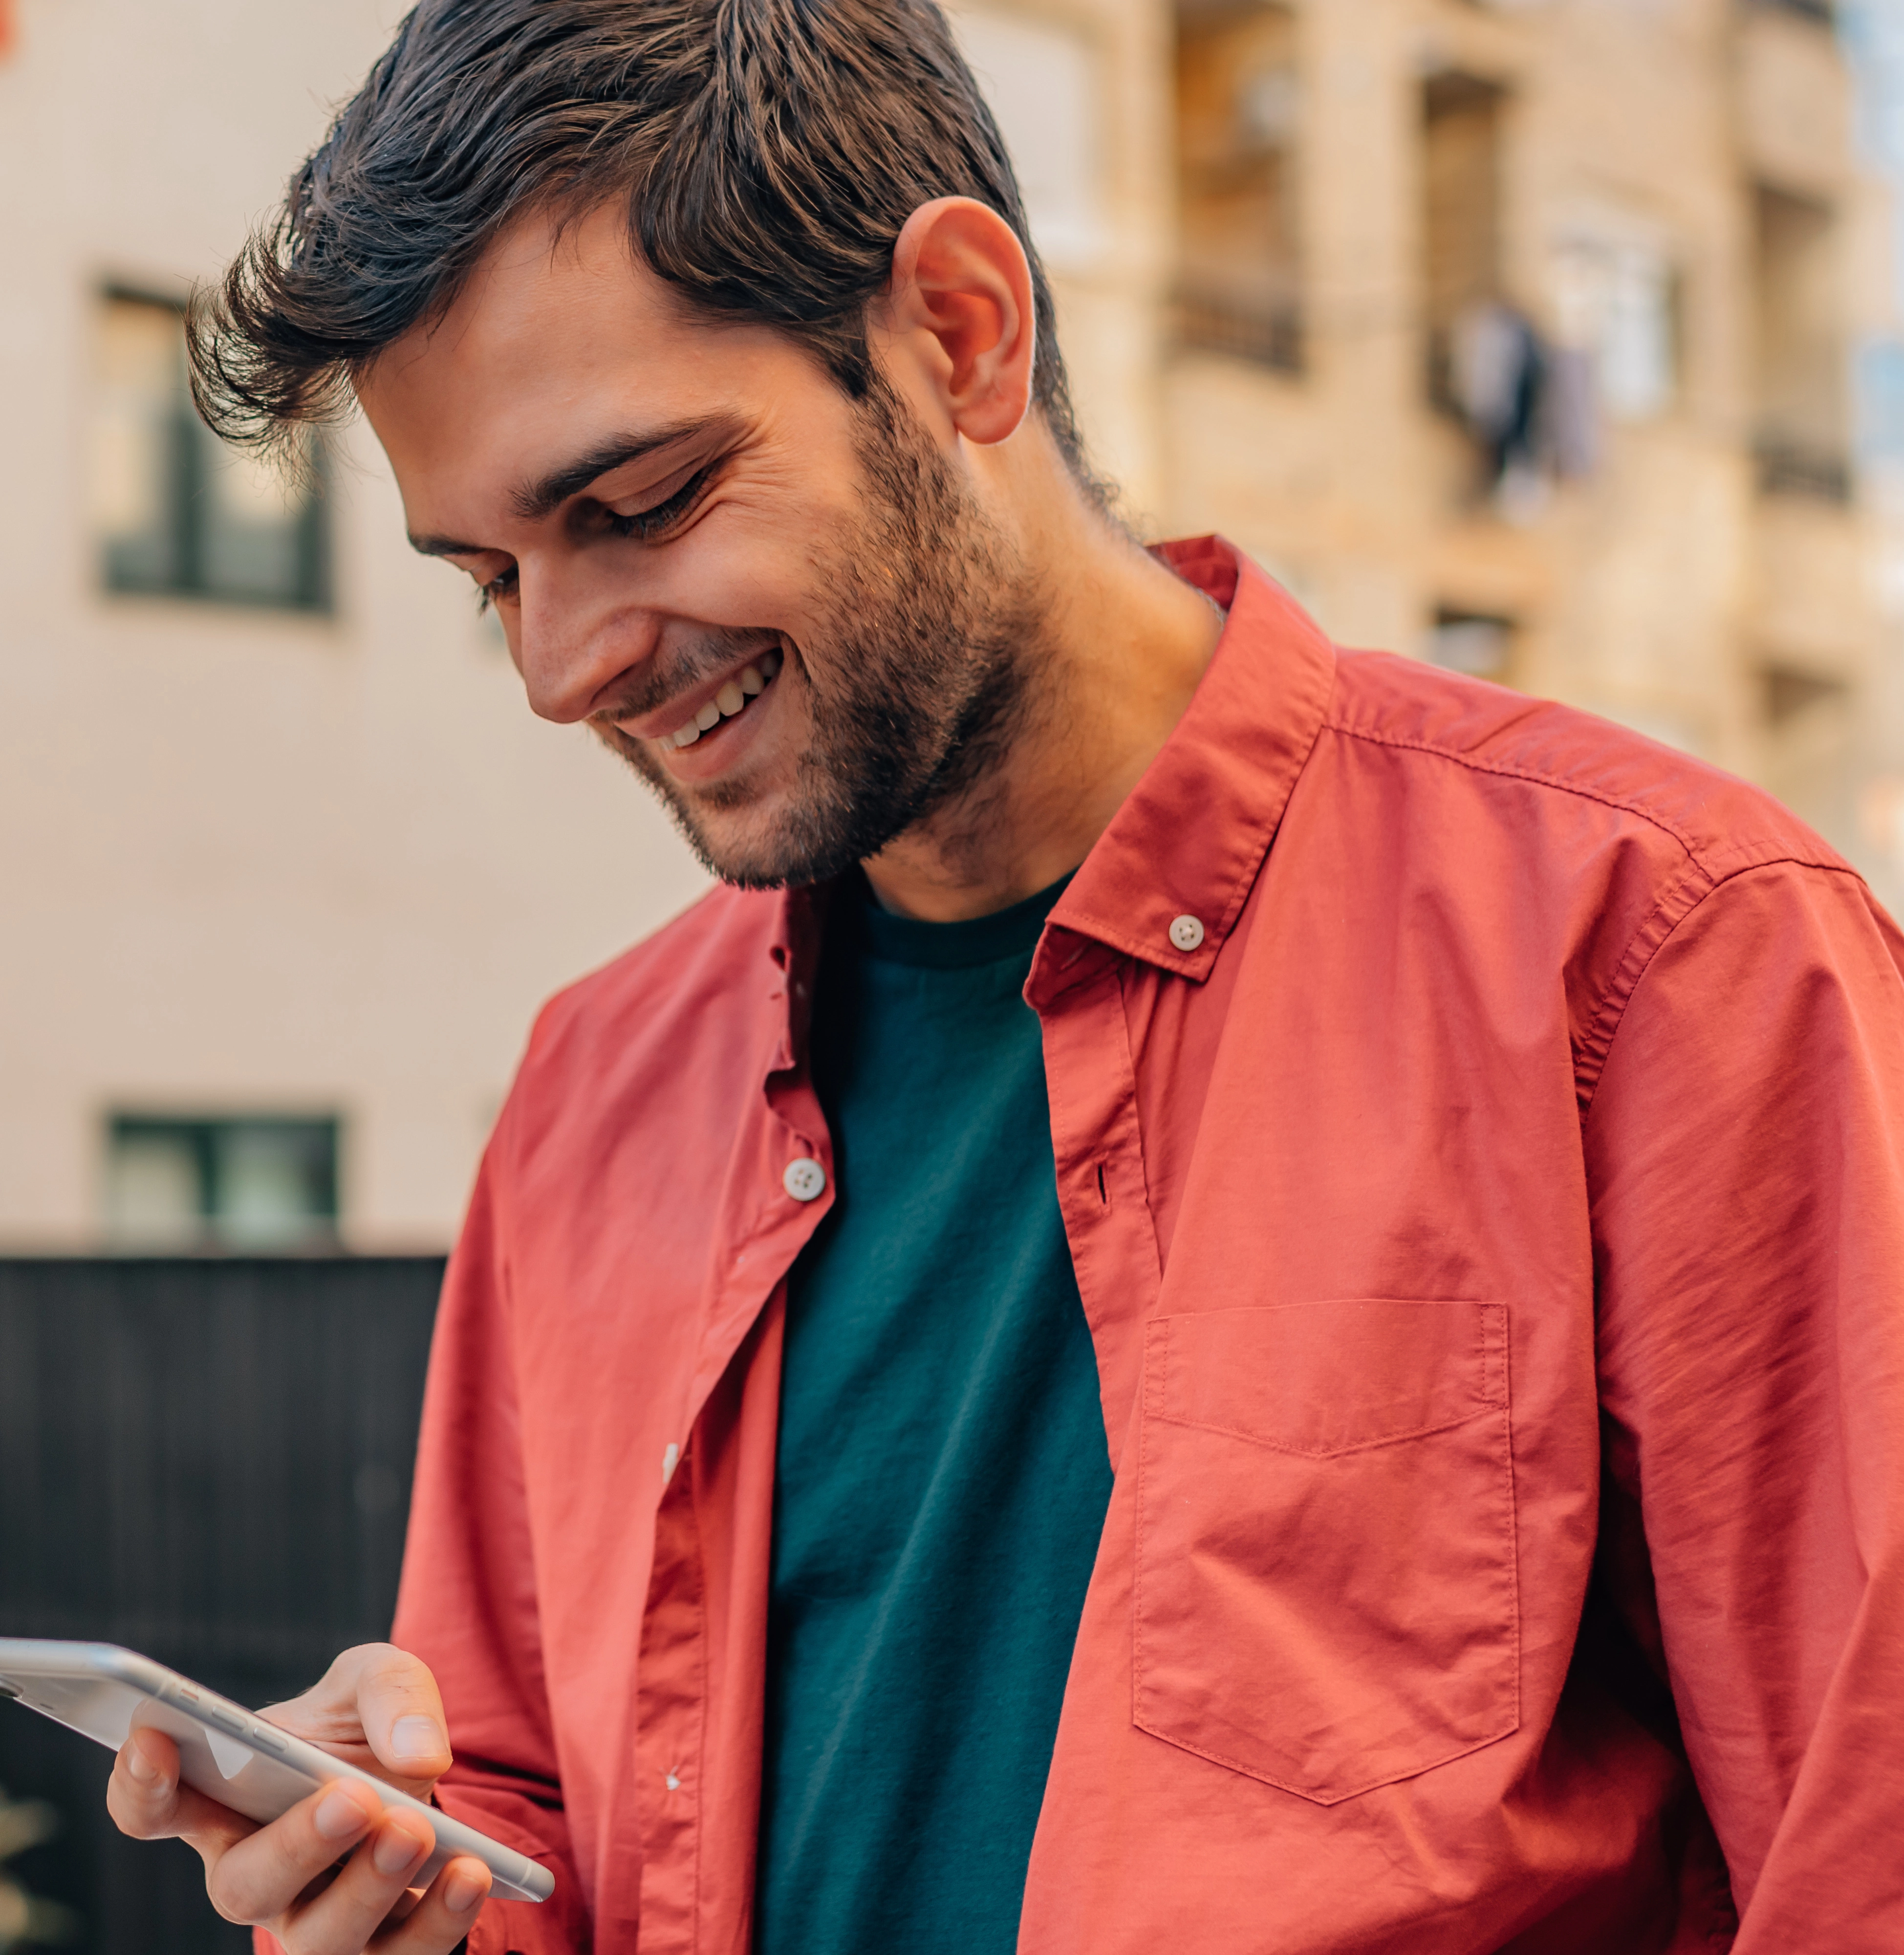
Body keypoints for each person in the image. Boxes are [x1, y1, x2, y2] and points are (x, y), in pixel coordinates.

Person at [103, 0, 1904, 1949]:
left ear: (960, 331)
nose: (561, 667)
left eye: (635, 508)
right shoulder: (585, 1095)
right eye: (492, 578)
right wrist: (414, 1886)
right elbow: (542, 1816)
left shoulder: (1661, 951)